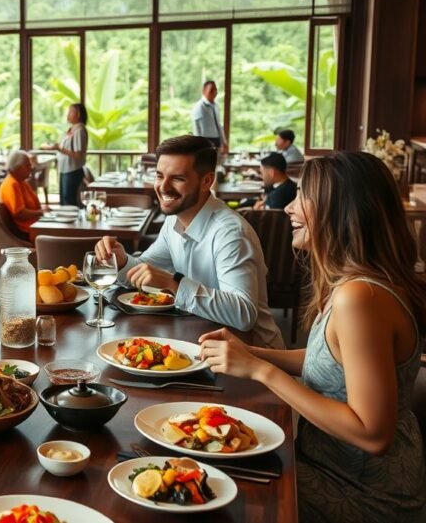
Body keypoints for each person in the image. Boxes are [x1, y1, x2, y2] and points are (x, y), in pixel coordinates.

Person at [199, 152, 426, 522]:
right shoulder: (355, 285)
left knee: (216, 494)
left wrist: (260, 371)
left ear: (342, 210)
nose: (289, 207)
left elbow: (373, 434)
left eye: (303, 195)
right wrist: (251, 352)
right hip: (326, 465)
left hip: (360, 492)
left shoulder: (360, 298)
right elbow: (331, 359)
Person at [96, 135, 284, 349]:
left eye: (177, 178)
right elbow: (146, 271)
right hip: (200, 342)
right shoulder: (173, 221)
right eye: (159, 176)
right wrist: (121, 262)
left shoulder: (230, 233)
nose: (163, 187)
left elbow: (243, 314)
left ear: (206, 181)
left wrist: (173, 283)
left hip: (253, 358)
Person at [42, 103, 87, 207]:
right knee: (63, 201)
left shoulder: (79, 130)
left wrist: (60, 149)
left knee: (69, 202)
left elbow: (78, 155)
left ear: (79, 114)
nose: (68, 114)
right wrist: (56, 148)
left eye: (71, 112)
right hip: (65, 170)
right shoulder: (72, 129)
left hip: (72, 171)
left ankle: (72, 223)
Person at [0, 150, 45, 240]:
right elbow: (19, 213)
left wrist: (42, 211)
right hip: (25, 232)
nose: (31, 168)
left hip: (35, 226)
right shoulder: (11, 184)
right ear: (17, 167)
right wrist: (41, 212)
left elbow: (36, 205)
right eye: (28, 165)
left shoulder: (21, 182)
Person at [191, 80, 227, 154]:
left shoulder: (216, 106)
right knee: (206, 163)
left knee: (217, 162)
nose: (214, 92)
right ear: (204, 91)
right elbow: (196, 126)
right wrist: (198, 144)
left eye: (215, 89)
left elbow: (219, 125)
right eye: (211, 90)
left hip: (216, 139)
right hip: (205, 140)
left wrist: (224, 141)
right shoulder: (199, 106)